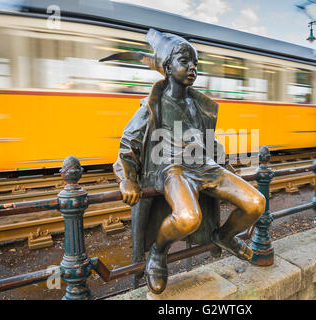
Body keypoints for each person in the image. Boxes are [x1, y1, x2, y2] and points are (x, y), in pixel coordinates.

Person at [100, 29, 265, 294]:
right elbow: (128, 144)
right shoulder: (152, 105)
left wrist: (227, 166)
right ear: (167, 66)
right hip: (172, 169)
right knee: (188, 217)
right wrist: (127, 180)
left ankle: (224, 236)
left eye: (196, 63)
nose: (192, 68)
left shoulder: (199, 105)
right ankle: (157, 252)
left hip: (205, 166)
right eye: (185, 61)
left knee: (256, 203)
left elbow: (209, 142)